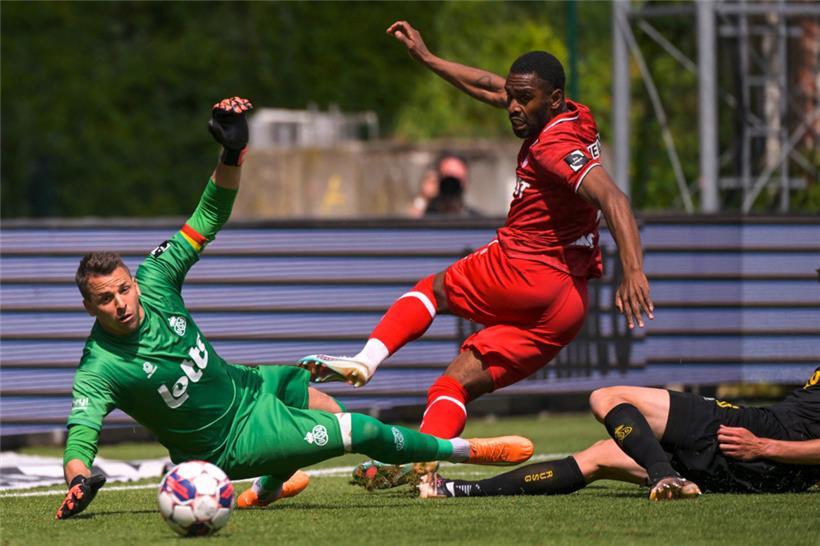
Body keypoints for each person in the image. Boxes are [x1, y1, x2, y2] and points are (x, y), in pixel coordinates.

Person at [55, 97, 535, 520]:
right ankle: (462, 450)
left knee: (320, 401)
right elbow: (81, 437)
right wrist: (79, 478)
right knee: (359, 429)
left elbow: (208, 216)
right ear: (88, 307)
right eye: (105, 299)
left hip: (245, 383)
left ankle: (267, 488)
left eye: (123, 289)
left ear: (133, 282)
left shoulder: (156, 279)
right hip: (229, 443)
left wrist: (231, 153)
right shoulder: (100, 368)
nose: (120, 303)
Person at [298, 21, 653, 486]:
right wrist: (428, 59)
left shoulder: (553, 146)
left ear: (555, 100)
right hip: (566, 307)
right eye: (512, 96)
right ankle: (423, 469)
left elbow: (615, 199)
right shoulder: (572, 115)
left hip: (526, 268)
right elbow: (488, 86)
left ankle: (366, 360)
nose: (512, 107)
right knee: (453, 384)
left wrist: (635, 272)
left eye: (523, 99)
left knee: (432, 291)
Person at [419, 367, 820, 500]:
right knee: (599, 455)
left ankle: (663, 474)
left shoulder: (767, 437)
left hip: (765, 436)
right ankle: (455, 490)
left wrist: (765, 444)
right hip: (763, 473)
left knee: (606, 397)